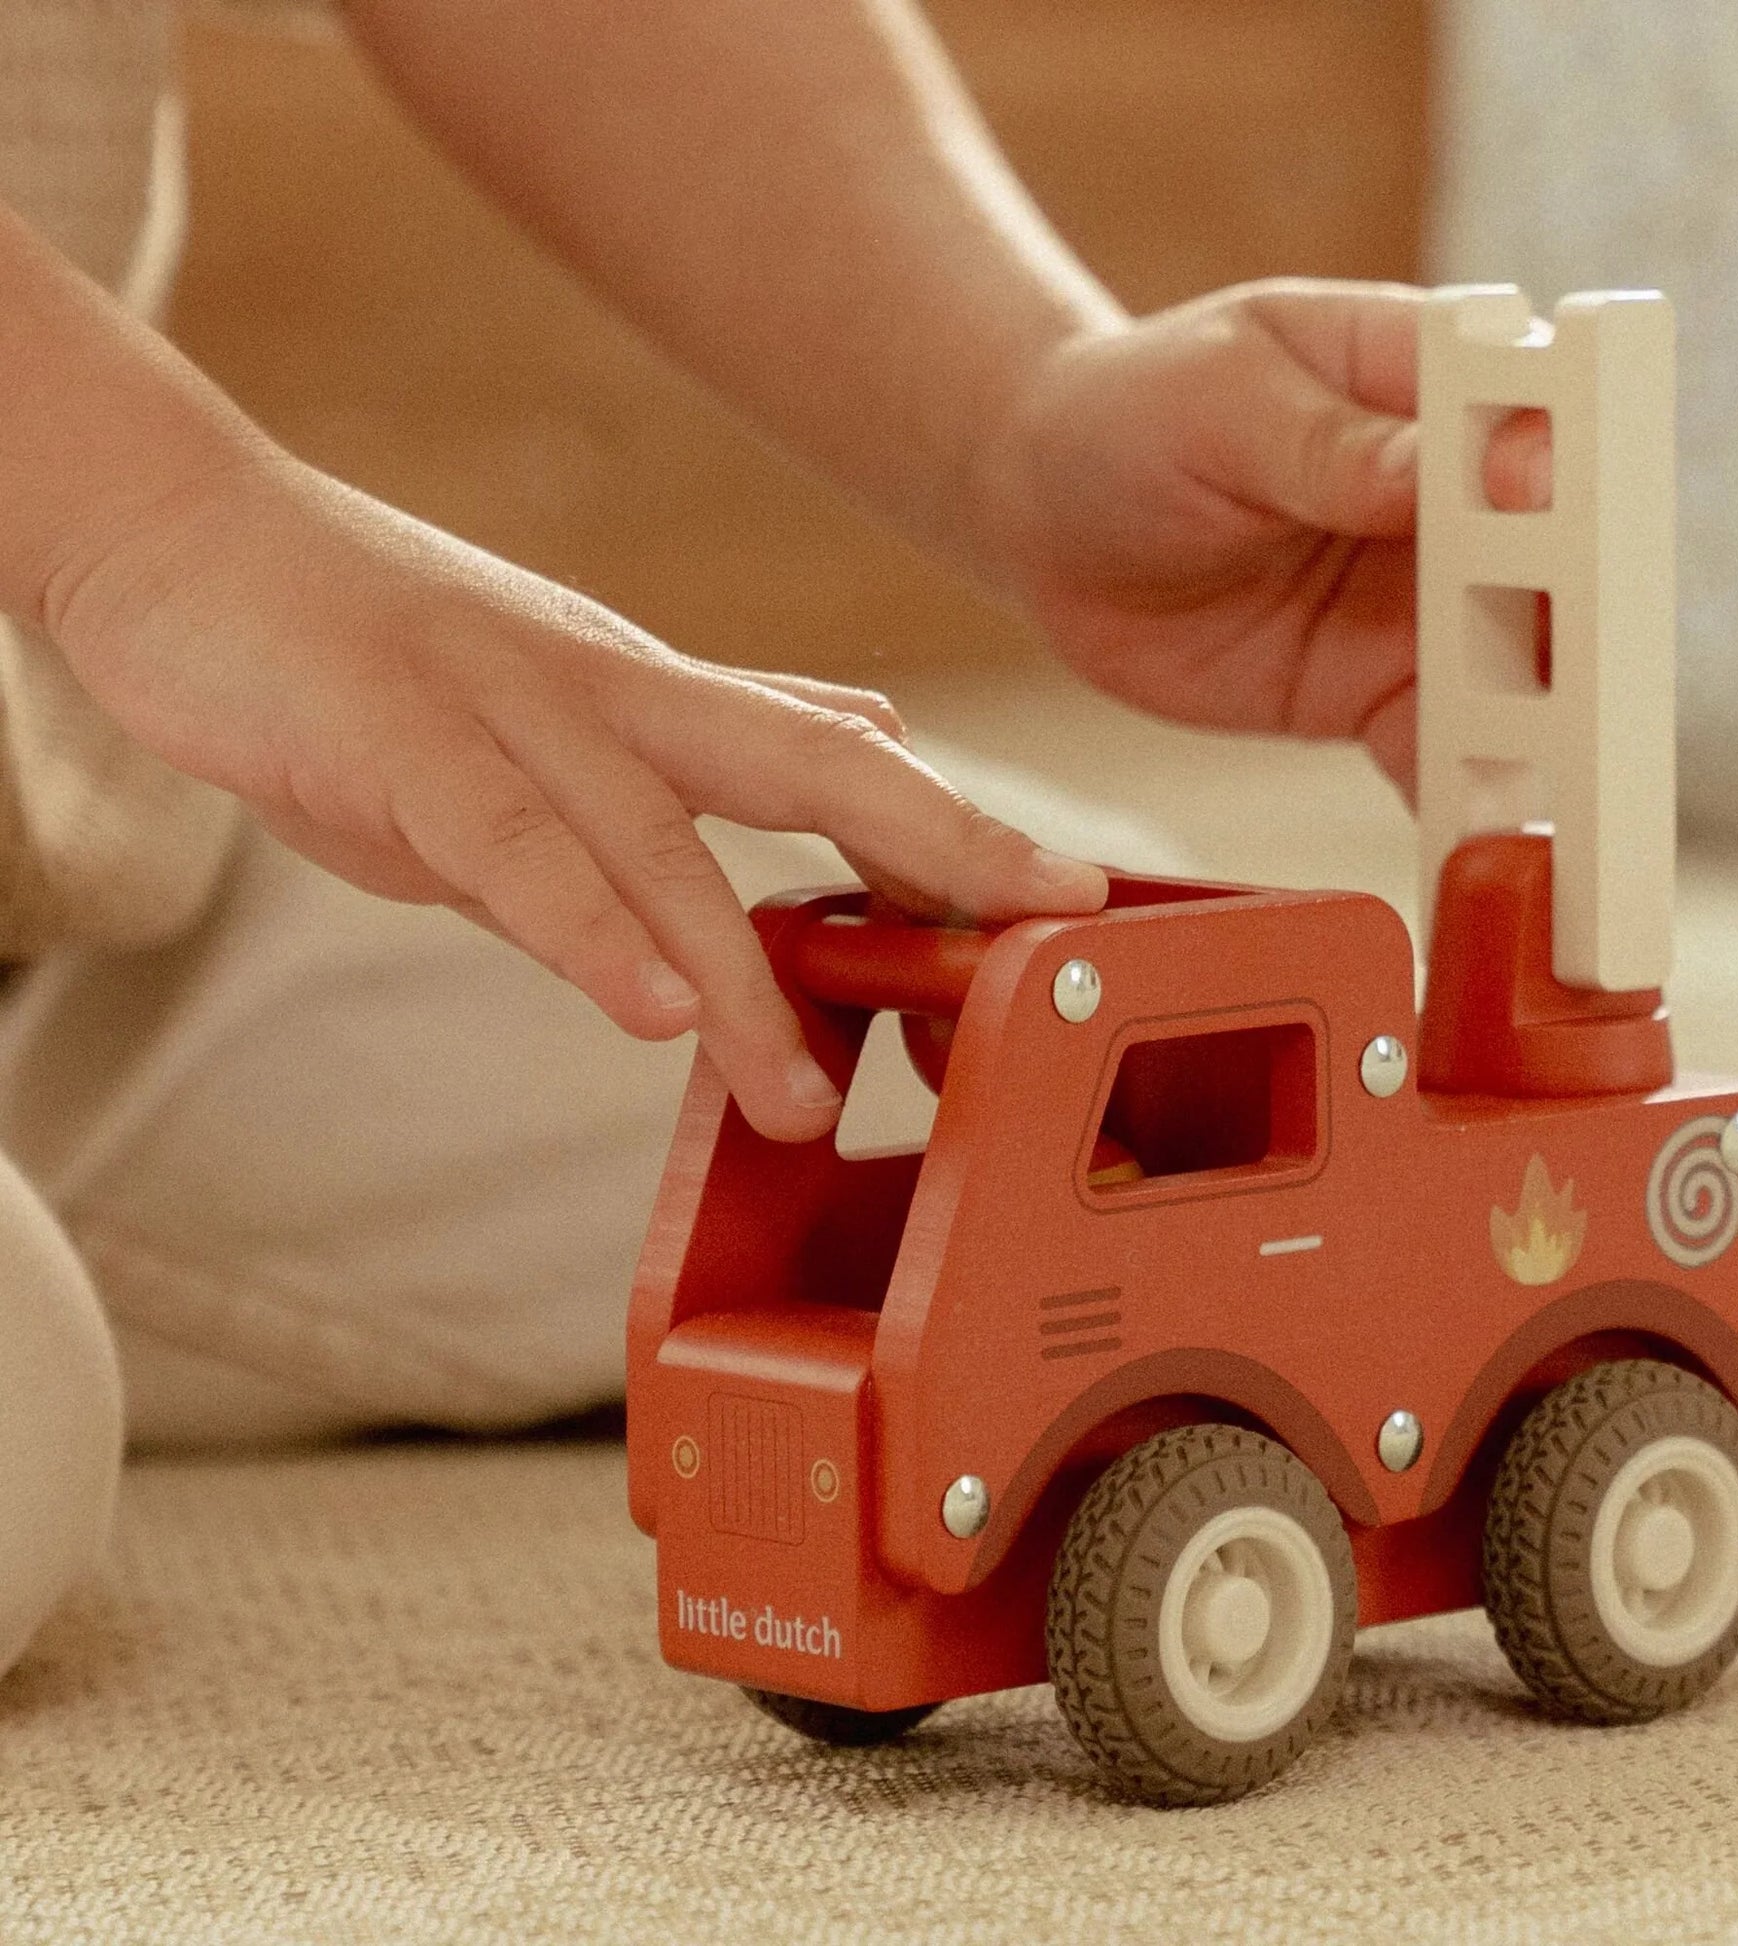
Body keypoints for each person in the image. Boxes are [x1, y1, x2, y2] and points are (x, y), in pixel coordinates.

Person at [0, 0, 1539, 1679]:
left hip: (86, 838)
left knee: (1132, 1060)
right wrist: (155, 523)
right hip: (120, 612)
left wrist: (1011, 406)